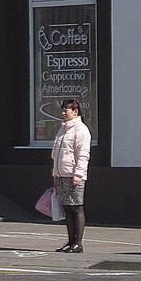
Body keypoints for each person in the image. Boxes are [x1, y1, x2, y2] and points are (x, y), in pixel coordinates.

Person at [51, 98, 91, 253]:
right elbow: (57, 154)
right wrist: (55, 175)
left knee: (76, 207)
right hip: (62, 174)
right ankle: (70, 241)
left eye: (66, 110)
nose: (63, 113)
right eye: (62, 110)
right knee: (67, 208)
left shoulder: (81, 130)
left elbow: (83, 154)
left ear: (75, 111)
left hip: (74, 175)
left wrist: (79, 174)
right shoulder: (62, 130)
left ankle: (78, 243)